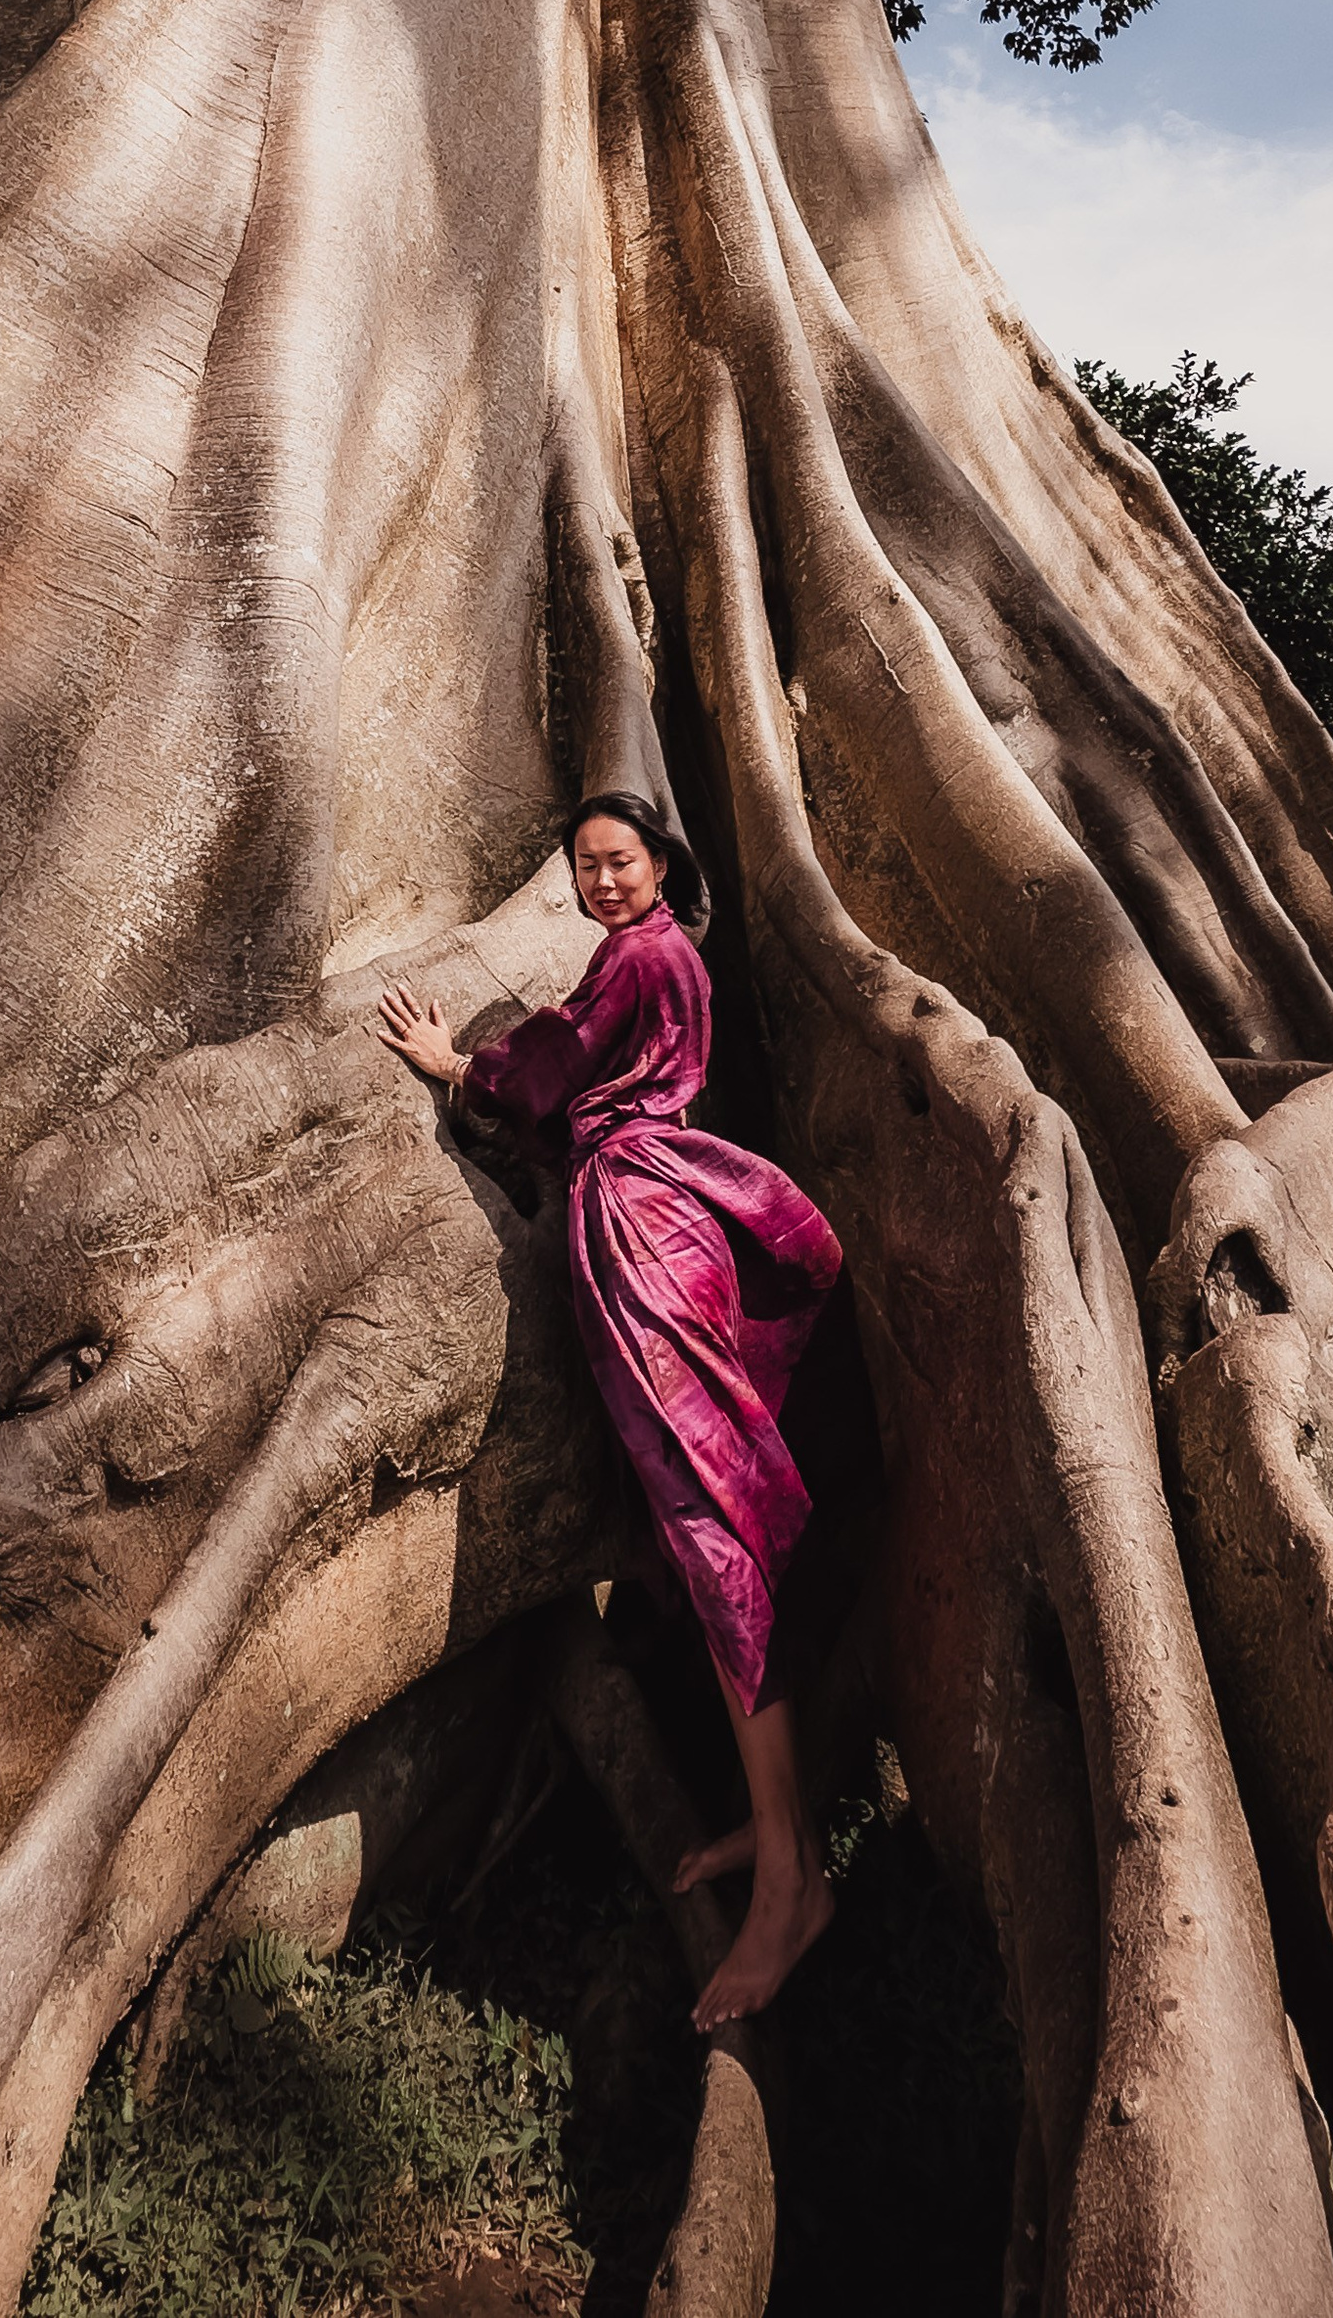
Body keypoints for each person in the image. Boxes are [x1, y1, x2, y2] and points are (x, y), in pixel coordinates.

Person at [377, 789, 843, 2027]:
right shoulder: (656, 961)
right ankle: (774, 1821)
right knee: (706, 1525)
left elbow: (548, 1068)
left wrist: (455, 1064)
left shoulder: (640, 958)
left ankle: (795, 1882)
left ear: (658, 866)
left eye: (620, 861)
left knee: (714, 1530)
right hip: (642, 1213)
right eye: (584, 868)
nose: (601, 884)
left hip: (643, 1235)